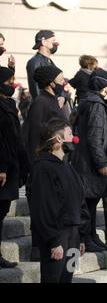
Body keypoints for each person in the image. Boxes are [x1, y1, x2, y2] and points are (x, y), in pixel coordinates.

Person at [29, 118, 89, 283]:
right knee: (53, 278)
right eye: (69, 134)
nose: (74, 138)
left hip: (74, 236)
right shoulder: (43, 168)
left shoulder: (68, 167)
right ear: (58, 139)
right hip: (57, 237)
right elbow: (44, 207)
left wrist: (81, 237)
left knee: (67, 277)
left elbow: (80, 201)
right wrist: (54, 241)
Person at [71, 68, 107, 252]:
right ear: (103, 85)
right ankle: (85, 238)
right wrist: (102, 162)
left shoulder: (94, 102)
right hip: (90, 164)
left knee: (92, 201)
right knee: (88, 202)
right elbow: (95, 137)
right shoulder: (96, 105)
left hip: (88, 161)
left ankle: (91, 236)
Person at [0, 67, 30, 269]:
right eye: (9, 81)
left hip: (11, 167)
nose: (13, 84)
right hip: (3, 169)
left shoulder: (9, 104)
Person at [23, 65, 68, 162]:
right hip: (47, 160)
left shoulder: (54, 99)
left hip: (58, 156)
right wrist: (35, 164)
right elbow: (33, 136)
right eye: (61, 80)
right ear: (52, 83)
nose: (63, 83)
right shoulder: (40, 102)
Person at [26, 30, 60, 100]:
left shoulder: (49, 61)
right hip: (44, 106)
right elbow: (35, 89)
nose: (56, 43)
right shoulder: (34, 62)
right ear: (44, 42)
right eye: (53, 41)